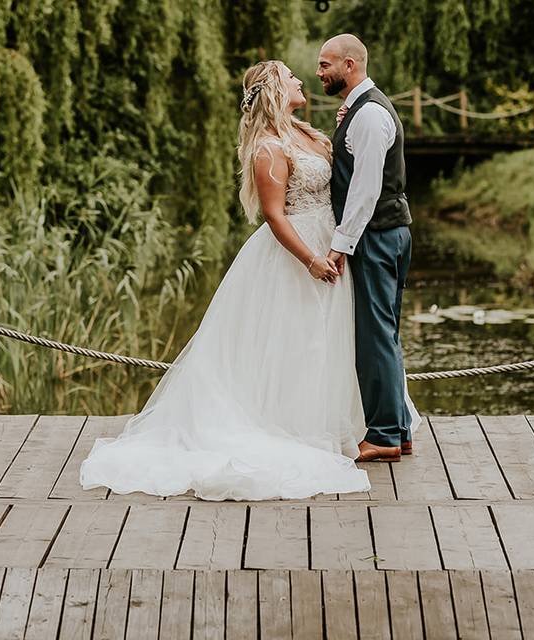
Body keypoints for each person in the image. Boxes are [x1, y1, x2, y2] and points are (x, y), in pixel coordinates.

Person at [80, 57, 419, 501]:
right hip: (302, 250)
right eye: (292, 76)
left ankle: (361, 424)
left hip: (334, 243)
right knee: (297, 341)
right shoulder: (267, 147)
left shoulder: (308, 132)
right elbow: (275, 215)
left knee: (333, 338)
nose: (302, 79)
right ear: (276, 89)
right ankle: (300, 425)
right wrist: (311, 260)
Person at [318, 34, 415, 462]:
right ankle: (399, 429)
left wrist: (341, 244)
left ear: (350, 65)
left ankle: (384, 436)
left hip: (376, 235)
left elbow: (365, 189)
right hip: (382, 233)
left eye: (326, 64)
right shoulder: (358, 110)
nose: (319, 72)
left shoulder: (371, 115)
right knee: (384, 332)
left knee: (375, 336)